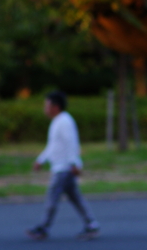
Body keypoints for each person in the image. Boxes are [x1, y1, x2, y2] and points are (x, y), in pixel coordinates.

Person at [27, 91, 100, 240]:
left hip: (64, 168)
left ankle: (43, 228)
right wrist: (41, 160)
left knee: (53, 198)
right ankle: (91, 224)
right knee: (75, 198)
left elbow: (71, 143)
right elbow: (52, 146)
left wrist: (74, 163)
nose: (45, 109)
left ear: (56, 107)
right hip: (62, 167)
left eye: (47, 106)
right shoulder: (57, 122)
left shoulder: (65, 121)